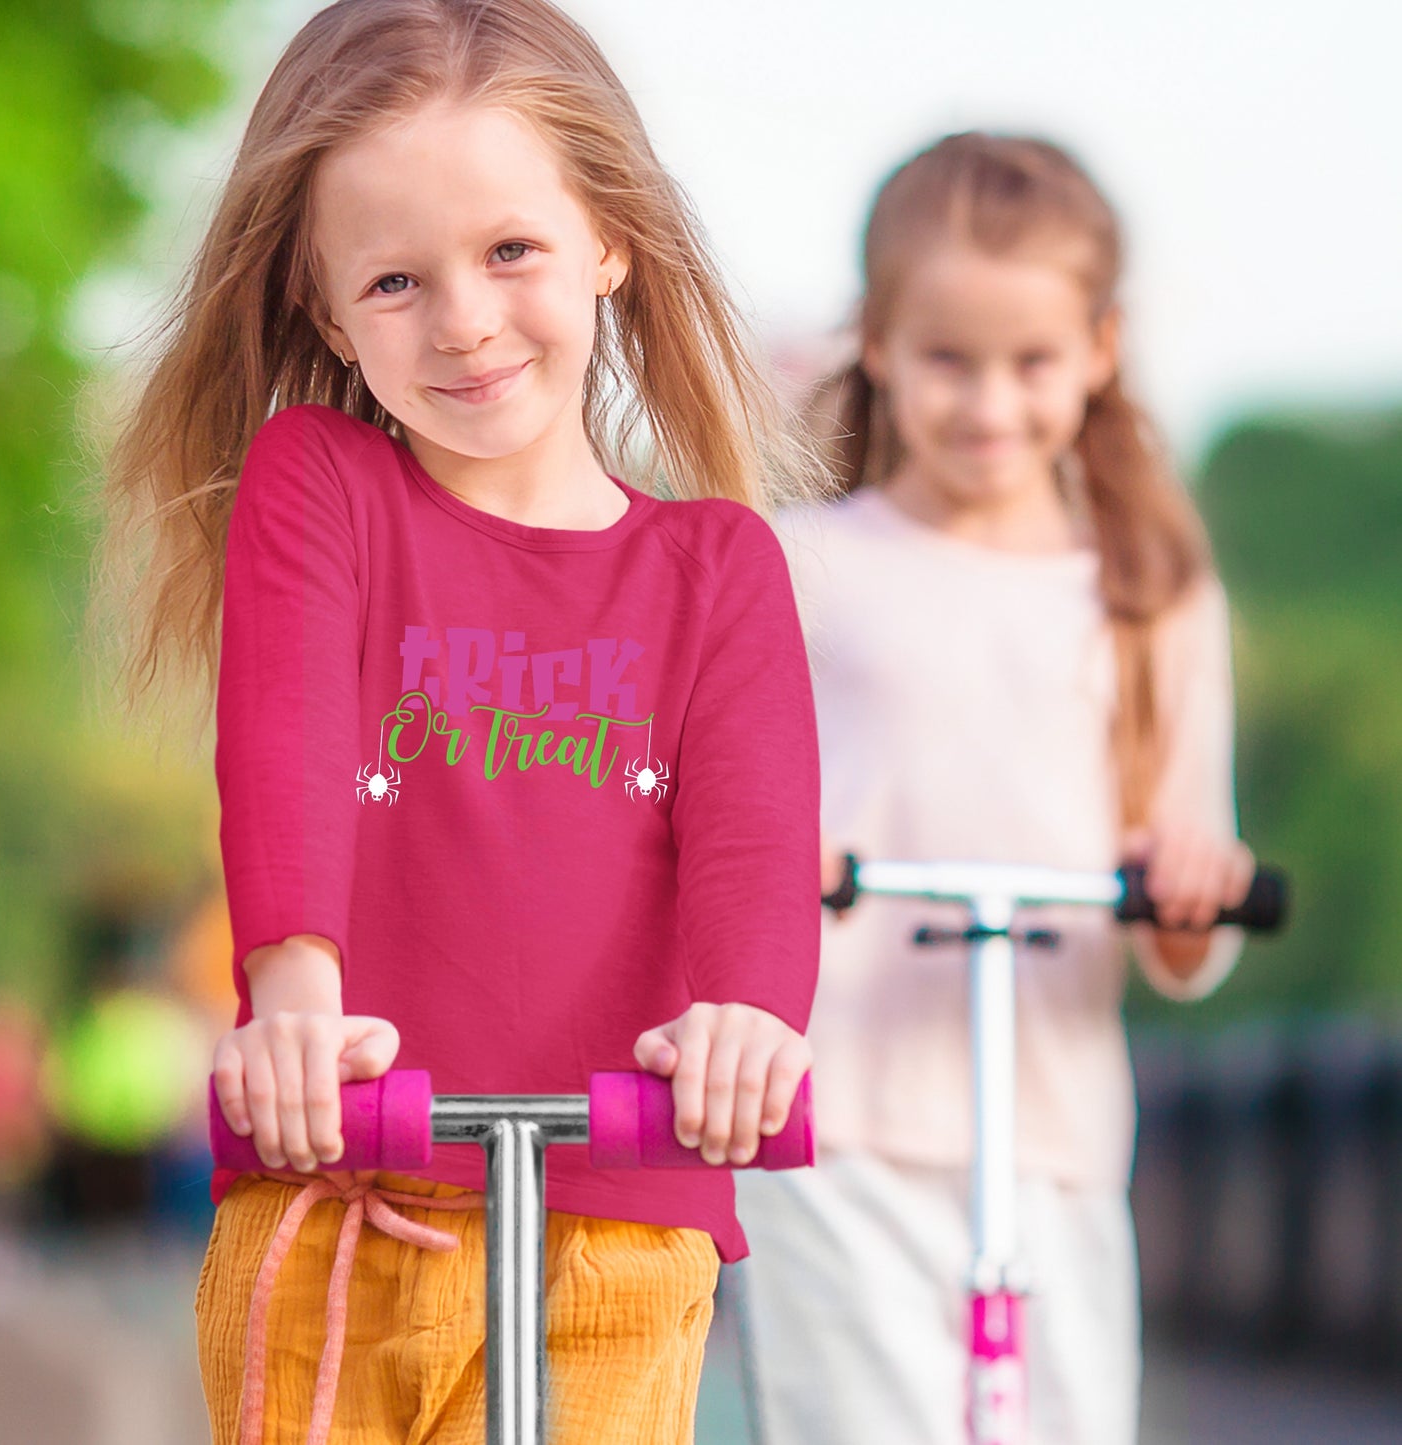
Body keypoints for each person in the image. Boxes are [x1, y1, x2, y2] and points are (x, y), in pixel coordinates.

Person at [94, 2, 825, 1441]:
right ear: (322, 309)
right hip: (349, 1202)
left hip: (612, 1228)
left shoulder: (716, 564)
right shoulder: (324, 486)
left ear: (607, 237)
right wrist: (294, 1001)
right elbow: (287, 732)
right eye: (394, 281)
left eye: (510, 251)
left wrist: (747, 1019)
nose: (466, 321)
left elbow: (750, 828)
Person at [733, 132, 1257, 1445]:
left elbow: (1181, 919)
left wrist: (1191, 883)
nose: (988, 404)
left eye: (1029, 363)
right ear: (876, 345)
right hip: (839, 1115)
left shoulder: (1148, 599)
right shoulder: (798, 567)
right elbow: (714, 806)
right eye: (946, 360)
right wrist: (759, 855)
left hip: (1054, 1129)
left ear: (1098, 348)